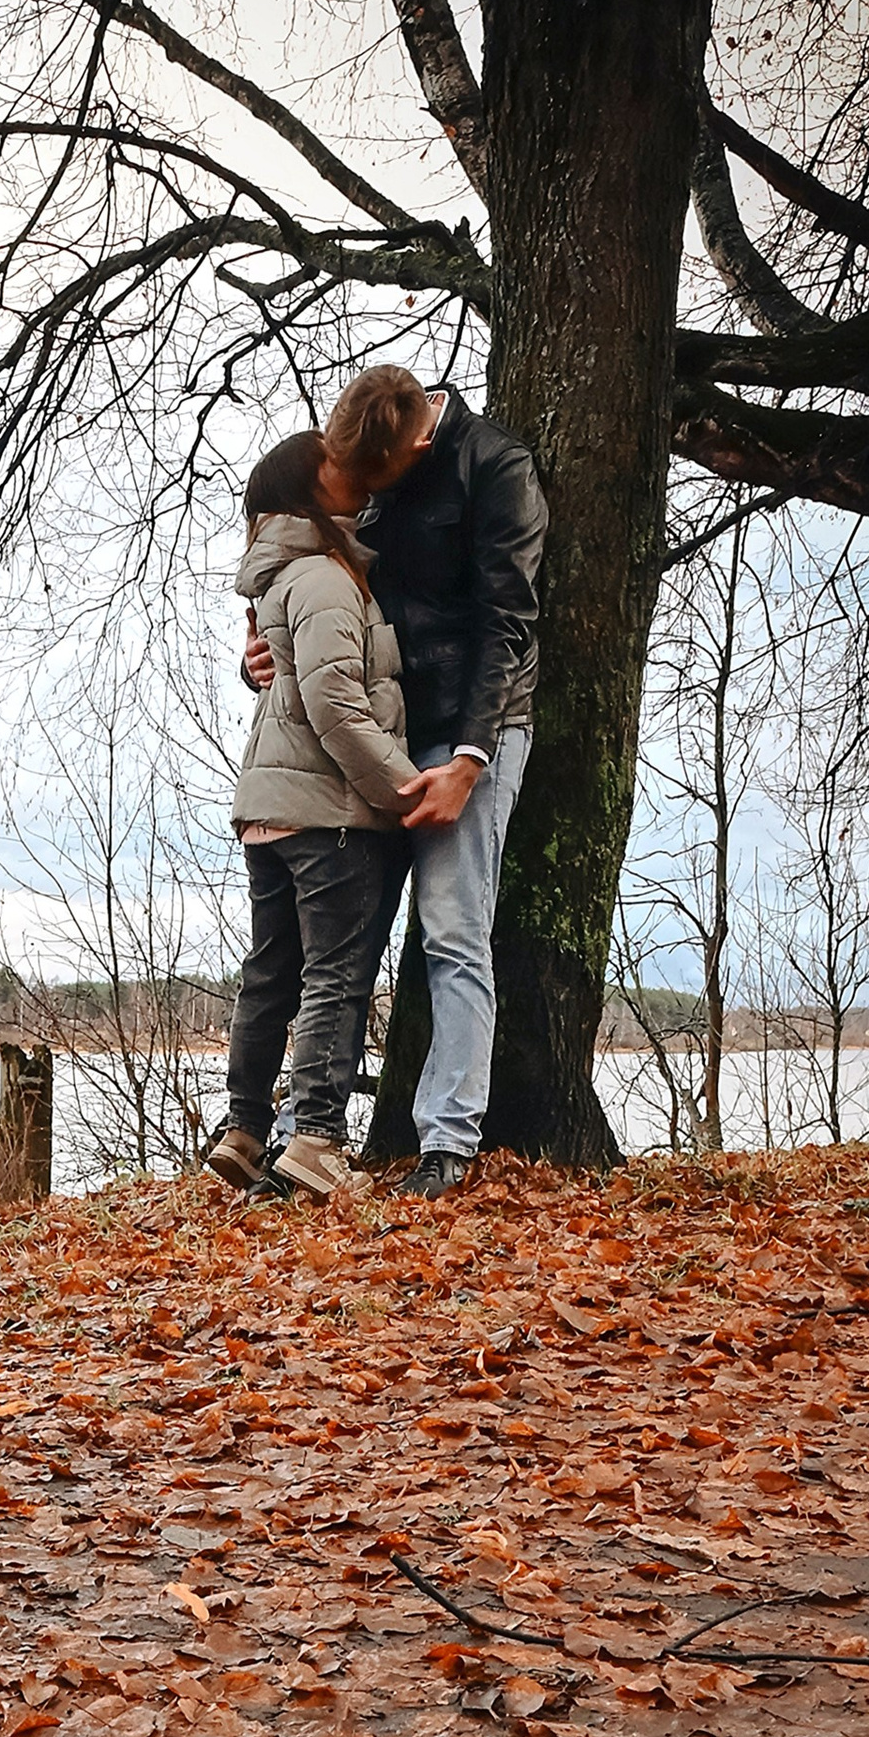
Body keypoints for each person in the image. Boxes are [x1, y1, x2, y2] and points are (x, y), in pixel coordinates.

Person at [245, 365, 545, 1195]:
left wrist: (471, 759)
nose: (357, 499)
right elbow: (307, 572)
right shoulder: (365, 447)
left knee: (452, 934)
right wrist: (263, 655)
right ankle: (303, 1137)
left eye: (370, 485)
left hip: (466, 735)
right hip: (376, 739)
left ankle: (447, 1143)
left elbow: (507, 624)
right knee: (342, 946)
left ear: (417, 441)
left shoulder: (495, 468)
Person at [200, 430, 422, 1206]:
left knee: (270, 975)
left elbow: (293, 684)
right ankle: (318, 1140)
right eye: (331, 465)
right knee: (335, 975)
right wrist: (404, 786)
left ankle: (246, 1130)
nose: (350, 471)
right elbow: (334, 703)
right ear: (304, 494)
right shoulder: (326, 580)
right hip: (327, 813)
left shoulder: (278, 584)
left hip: (267, 811)